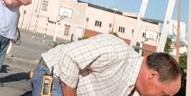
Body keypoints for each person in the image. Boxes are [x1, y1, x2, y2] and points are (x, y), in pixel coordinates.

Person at [30, 34, 182, 96]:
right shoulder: (116, 50)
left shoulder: (135, 88)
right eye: (163, 94)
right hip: (52, 75)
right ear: (153, 76)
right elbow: (68, 56)